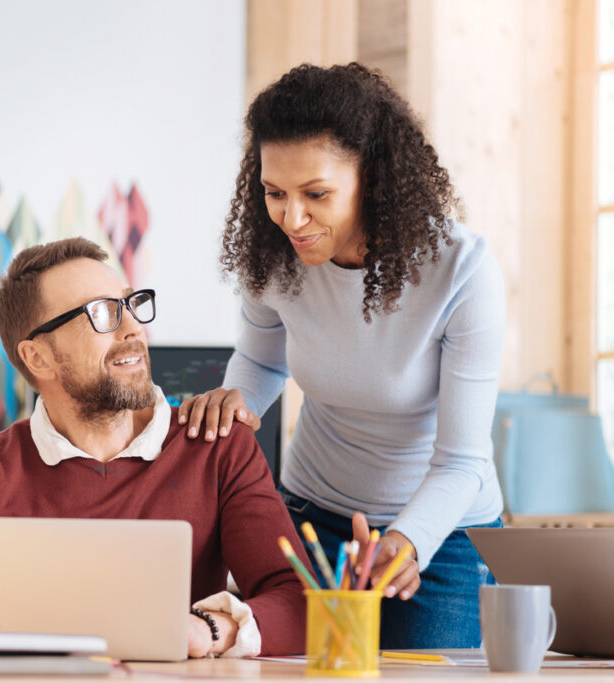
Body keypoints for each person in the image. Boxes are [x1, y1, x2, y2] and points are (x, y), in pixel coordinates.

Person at [178, 63, 505, 649]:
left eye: (317, 194)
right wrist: (237, 402)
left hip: (441, 538)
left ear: (373, 179)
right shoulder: (276, 257)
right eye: (274, 193)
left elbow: (462, 462)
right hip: (311, 519)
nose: (292, 219)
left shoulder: (462, 271)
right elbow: (261, 361)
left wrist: (406, 541)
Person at [0, 238, 311, 658]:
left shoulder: (217, 446)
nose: (133, 329)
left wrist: (207, 629)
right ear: (39, 358)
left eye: (130, 305)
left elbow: (300, 603)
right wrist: (84, 624)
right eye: (102, 313)